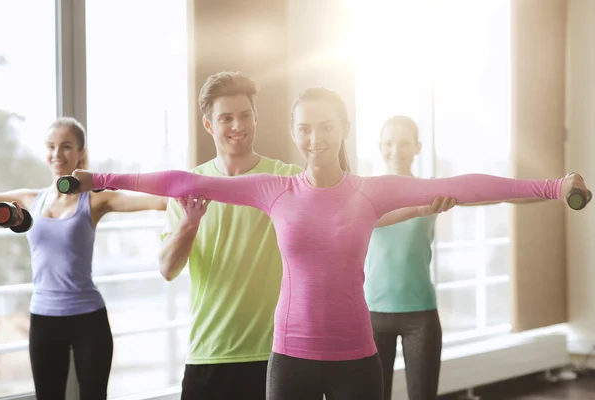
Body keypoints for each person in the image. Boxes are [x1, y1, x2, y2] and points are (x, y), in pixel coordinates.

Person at [61, 88, 590, 400]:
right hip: (288, 357)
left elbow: (470, 187)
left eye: (328, 127)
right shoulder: (274, 189)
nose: (317, 138)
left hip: (357, 356)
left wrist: (551, 187)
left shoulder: (369, 192)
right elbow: (184, 182)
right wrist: (99, 178)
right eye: (306, 129)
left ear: (344, 129)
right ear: (294, 132)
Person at [157, 71, 451, 400]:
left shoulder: (289, 181)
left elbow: (356, 215)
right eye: (226, 118)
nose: (237, 126)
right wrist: (189, 222)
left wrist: (419, 208)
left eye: (244, 116)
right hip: (209, 351)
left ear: (256, 118)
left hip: (276, 349)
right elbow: (168, 269)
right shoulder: (192, 190)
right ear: (209, 124)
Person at [365, 115, 545, 400]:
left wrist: (553, 189)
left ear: (418, 147)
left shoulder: (431, 191)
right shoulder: (366, 192)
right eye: (389, 143)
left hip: (420, 316)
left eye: (403, 143)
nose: (395, 150)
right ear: (379, 146)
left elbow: (494, 194)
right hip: (372, 315)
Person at [0, 117, 167, 400]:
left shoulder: (95, 200)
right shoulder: (29, 199)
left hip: (88, 319)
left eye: (66, 146)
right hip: (44, 318)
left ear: (80, 153)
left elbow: (158, 201)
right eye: (51, 146)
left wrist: (188, 192)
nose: (57, 154)